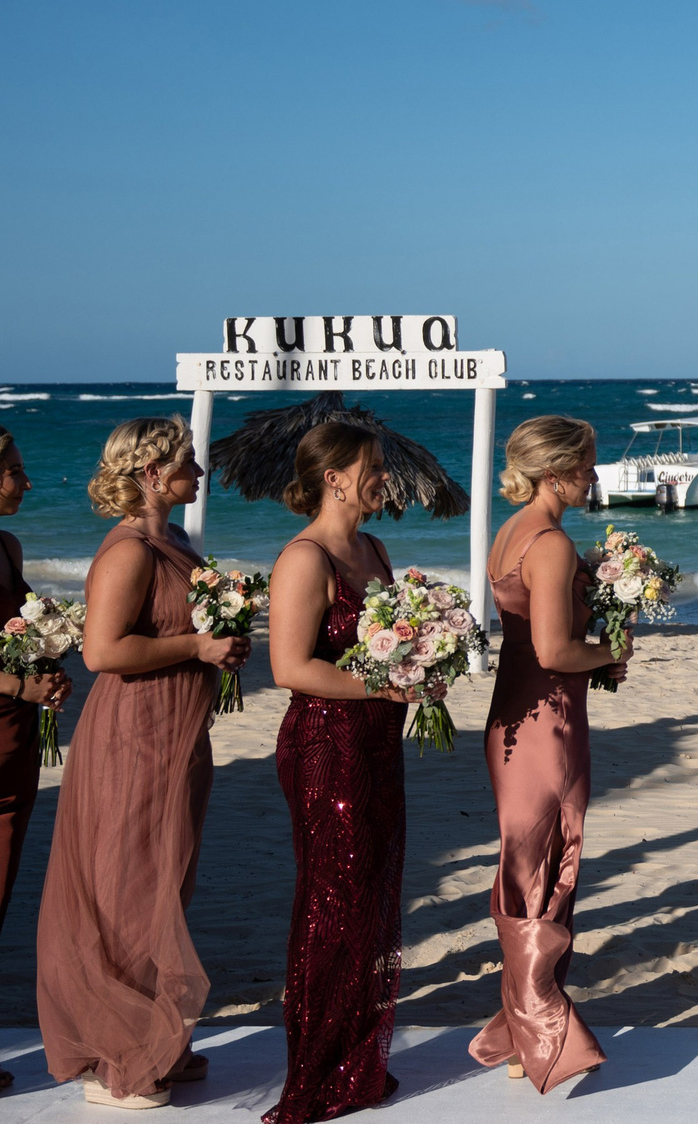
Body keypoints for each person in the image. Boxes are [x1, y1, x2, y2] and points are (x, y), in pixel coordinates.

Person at [38, 417, 249, 1110]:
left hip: (179, 734)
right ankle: (119, 1059)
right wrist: (196, 649)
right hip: (133, 735)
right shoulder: (129, 550)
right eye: (188, 459)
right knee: (129, 889)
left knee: (167, 884)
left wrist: (221, 643)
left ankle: (160, 1037)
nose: (201, 468)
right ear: (153, 473)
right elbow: (101, 654)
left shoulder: (175, 540)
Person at [263, 423, 419, 1123]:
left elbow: (387, 648)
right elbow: (291, 668)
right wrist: (383, 689)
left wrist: (422, 663)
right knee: (334, 903)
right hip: (327, 748)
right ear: (334, 477)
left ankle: (357, 1060)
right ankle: (316, 1072)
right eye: (374, 467)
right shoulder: (305, 557)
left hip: (379, 745)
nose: (383, 476)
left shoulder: (374, 549)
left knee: (375, 894)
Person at [468, 416, 625, 1094]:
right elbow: (556, 652)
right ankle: (545, 1033)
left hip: (513, 716)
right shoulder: (553, 544)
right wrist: (613, 652)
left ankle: (520, 1030)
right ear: (557, 471)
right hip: (548, 723)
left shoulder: (510, 534)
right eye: (587, 463)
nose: (594, 473)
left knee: (527, 865)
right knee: (549, 868)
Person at [0, 426, 73, 965]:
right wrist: (17, 684)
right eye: (14, 472)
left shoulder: (8, 547)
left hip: (15, 730)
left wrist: (47, 670)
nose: (26, 483)